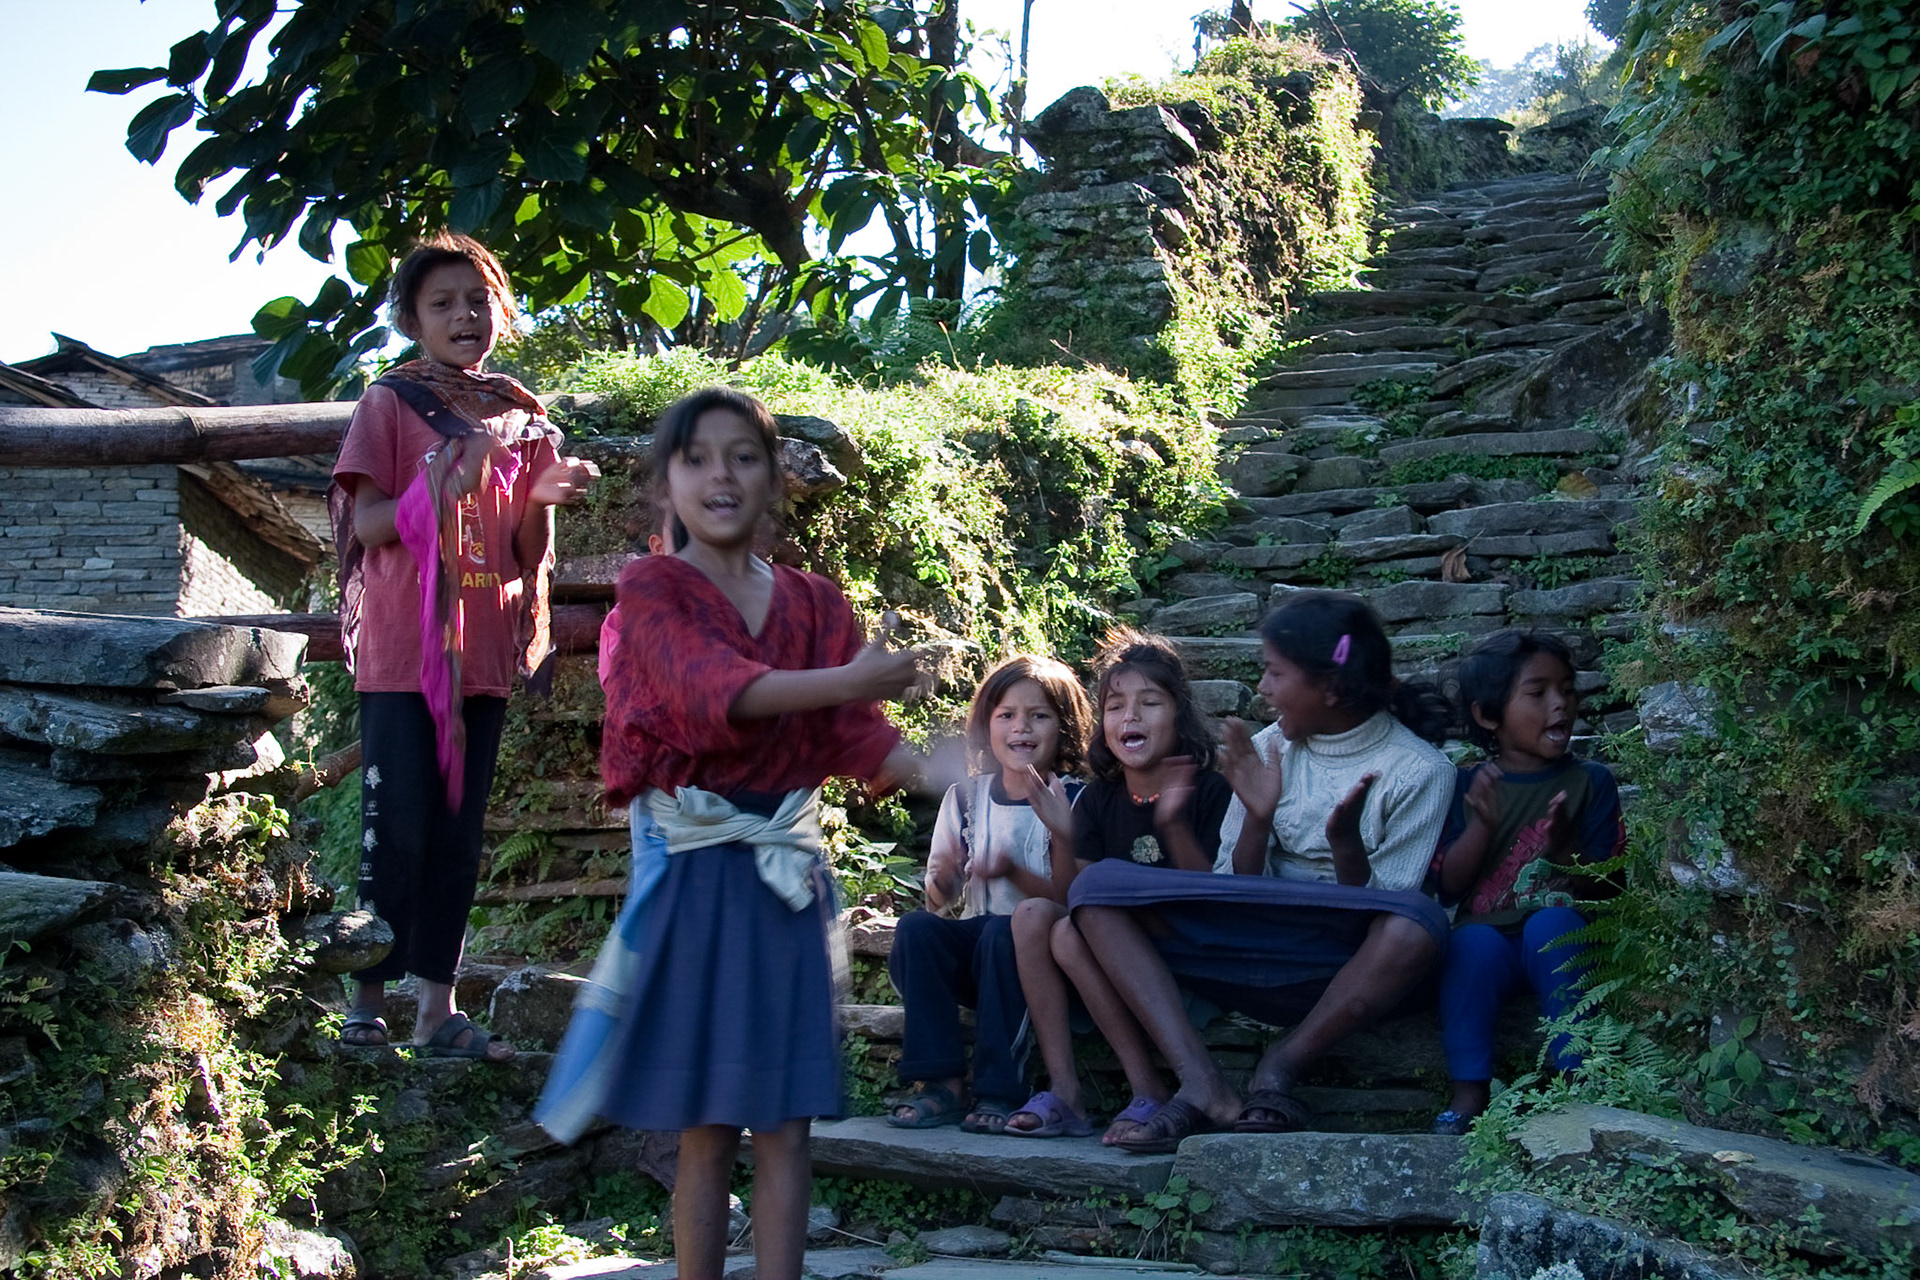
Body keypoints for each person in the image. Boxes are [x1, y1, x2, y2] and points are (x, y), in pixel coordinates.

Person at [534, 386, 923, 1280]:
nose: (722, 474)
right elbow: (714, 696)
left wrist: (954, 771)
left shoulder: (818, 604)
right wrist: (853, 681)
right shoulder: (653, 587)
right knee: (708, 1124)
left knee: (786, 1122)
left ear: (773, 479)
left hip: (787, 880)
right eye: (698, 456)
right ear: (665, 482)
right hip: (700, 876)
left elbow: (853, 738)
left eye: (744, 456)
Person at [331, 232, 598, 1059]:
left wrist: (545, 492)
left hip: (478, 662)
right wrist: (439, 481)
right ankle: (367, 1003)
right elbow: (369, 524)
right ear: (411, 318)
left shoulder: (521, 416)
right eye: (443, 302)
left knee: (456, 835)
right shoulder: (389, 406)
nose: (464, 315)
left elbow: (524, 553)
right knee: (396, 826)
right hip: (403, 658)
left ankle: (436, 1010)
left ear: (501, 311)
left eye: (478, 300)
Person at [1071, 592, 1456, 1151]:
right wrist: (1256, 816)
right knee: (1096, 888)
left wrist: (1346, 849)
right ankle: (1202, 1082)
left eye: (1276, 673)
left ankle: (1282, 1063)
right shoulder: (1267, 747)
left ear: (1331, 686)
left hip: (1337, 966)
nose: (1264, 690)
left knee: (1417, 923)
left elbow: (1381, 914)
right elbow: (1231, 884)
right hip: (1243, 943)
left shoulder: (1419, 769)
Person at [1005, 630, 1232, 1143]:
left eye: (1149, 703)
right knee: (1036, 917)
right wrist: (1062, 833)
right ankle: (1067, 1091)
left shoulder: (1210, 791)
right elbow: (1070, 898)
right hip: (1107, 957)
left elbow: (1212, 901)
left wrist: (1173, 825)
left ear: (1180, 716)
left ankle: (1147, 1086)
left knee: (1068, 932)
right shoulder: (1100, 798)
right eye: (1114, 706)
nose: (1129, 717)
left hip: (1186, 960)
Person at [884, 655, 1093, 1134]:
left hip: (1043, 959)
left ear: (1064, 728)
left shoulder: (1078, 799)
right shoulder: (964, 797)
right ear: (987, 725)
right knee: (917, 929)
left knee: (1004, 931)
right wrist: (945, 881)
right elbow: (939, 901)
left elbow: (1075, 902)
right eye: (1007, 715)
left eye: (1039, 715)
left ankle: (1001, 1089)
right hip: (979, 953)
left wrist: (1016, 874)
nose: (1022, 727)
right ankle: (941, 1083)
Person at [1428, 631, 1624, 1134]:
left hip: (1561, 933)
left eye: (1567, 689)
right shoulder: (1468, 785)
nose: (1560, 704)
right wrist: (1482, 826)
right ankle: (1469, 1091)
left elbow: (1610, 887)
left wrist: (1563, 851)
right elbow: (1449, 888)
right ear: (1488, 715)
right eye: (1537, 693)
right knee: (1467, 944)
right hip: (1489, 935)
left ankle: (1577, 1080)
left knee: (1551, 925)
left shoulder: (1591, 782)